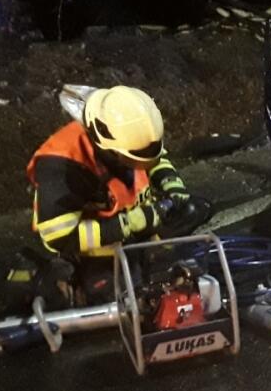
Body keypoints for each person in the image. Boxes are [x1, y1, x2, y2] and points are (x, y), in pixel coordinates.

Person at [19, 86, 192, 309]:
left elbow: (152, 157)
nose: (139, 165)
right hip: (90, 254)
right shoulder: (62, 166)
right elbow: (59, 237)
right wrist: (128, 224)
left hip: (136, 235)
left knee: (181, 268)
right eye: (132, 159)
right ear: (106, 147)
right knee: (121, 301)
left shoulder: (126, 135)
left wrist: (171, 183)